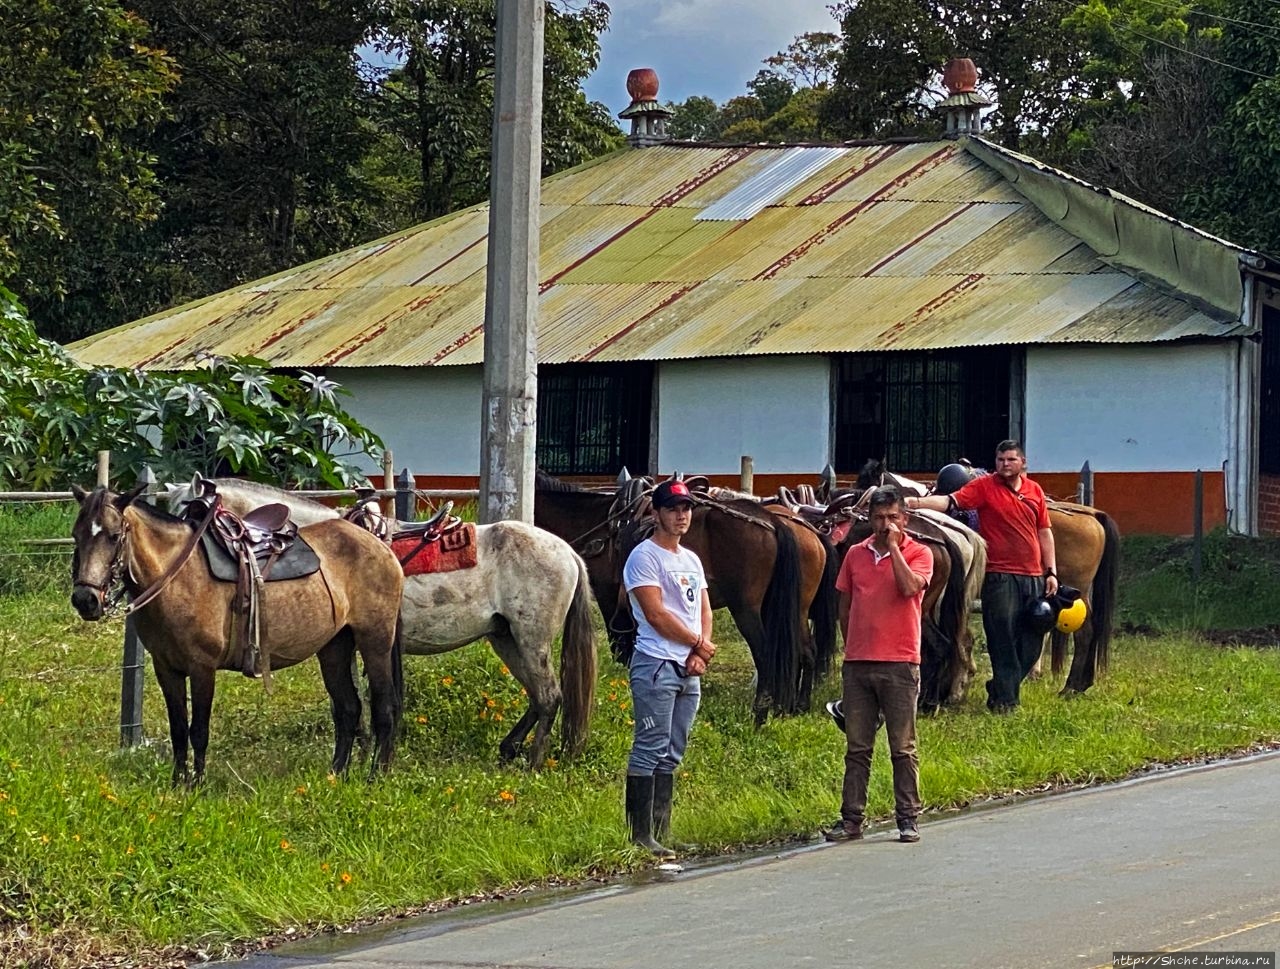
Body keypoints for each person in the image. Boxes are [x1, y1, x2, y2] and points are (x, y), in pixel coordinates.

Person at [906, 440, 1058, 713]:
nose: (1004, 464)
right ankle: (1005, 702)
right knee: (1002, 637)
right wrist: (916, 502)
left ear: (1023, 462)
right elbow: (950, 501)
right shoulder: (984, 486)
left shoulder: (1035, 491)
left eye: (1011, 459)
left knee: (1033, 638)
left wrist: (1051, 571)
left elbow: (1044, 531)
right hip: (999, 575)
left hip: (1034, 574)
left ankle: (1001, 686)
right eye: (1000, 459)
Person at [826, 485, 933, 845]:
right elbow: (844, 605)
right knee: (857, 748)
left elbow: (908, 589)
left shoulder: (920, 553)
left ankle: (907, 817)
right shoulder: (855, 555)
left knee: (902, 747)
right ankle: (851, 819)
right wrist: (851, 644)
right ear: (869, 519)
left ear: (904, 519)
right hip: (858, 663)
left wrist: (893, 551)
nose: (885, 524)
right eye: (879, 518)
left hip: (900, 663)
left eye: (892, 518)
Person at [622, 478, 716, 858]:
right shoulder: (644, 557)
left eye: (686, 509)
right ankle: (639, 834)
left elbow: (703, 609)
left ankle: (662, 829)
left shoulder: (690, 559)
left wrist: (701, 651)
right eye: (674, 509)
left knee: (673, 750)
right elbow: (656, 614)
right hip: (657, 663)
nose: (682, 515)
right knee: (649, 746)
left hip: (687, 666)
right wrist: (695, 643)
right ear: (657, 513)